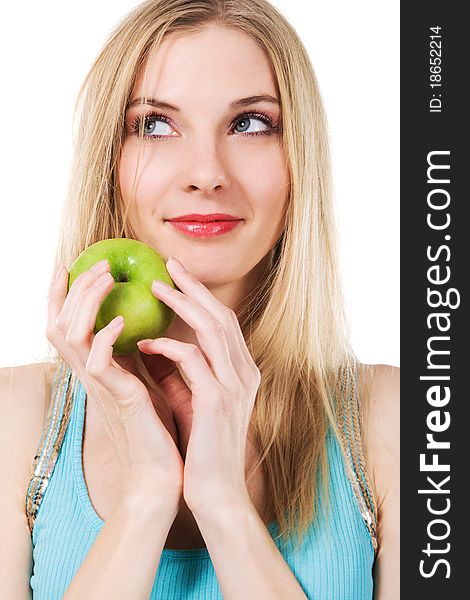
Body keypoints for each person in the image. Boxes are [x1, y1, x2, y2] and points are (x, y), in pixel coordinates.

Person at [0, 0, 399, 598]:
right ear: (110, 161)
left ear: (298, 163)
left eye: (251, 124)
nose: (206, 173)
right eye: (156, 125)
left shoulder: (397, 424)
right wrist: (146, 495)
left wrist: (222, 504)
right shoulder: (16, 423)